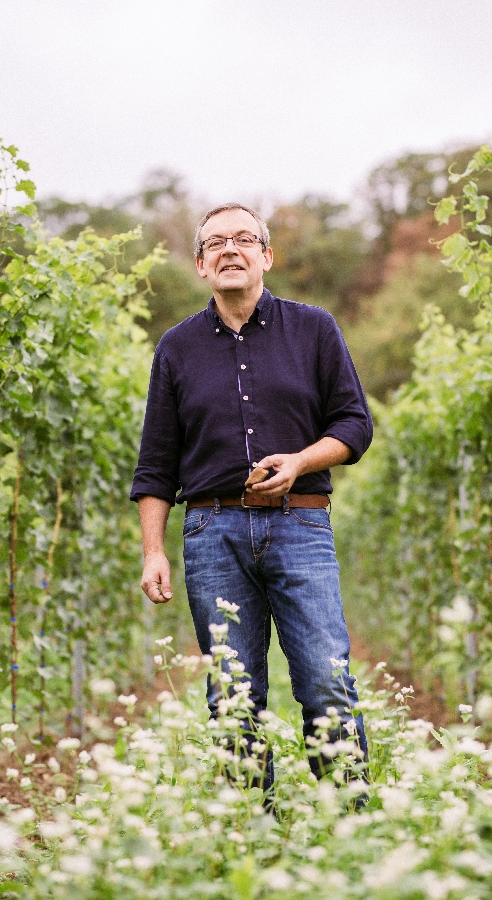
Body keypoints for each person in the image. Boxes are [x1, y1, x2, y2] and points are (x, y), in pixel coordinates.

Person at [130, 202, 372, 795]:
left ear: (266, 255)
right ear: (200, 264)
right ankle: (250, 837)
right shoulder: (177, 348)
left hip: (301, 526)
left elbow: (354, 425)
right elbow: (156, 465)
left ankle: (351, 829)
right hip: (211, 535)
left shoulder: (314, 328)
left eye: (244, 239)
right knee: (233, 694)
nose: (229, 249)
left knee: (325, 680)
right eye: (216, 243)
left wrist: (300, 461)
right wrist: (153, 552)